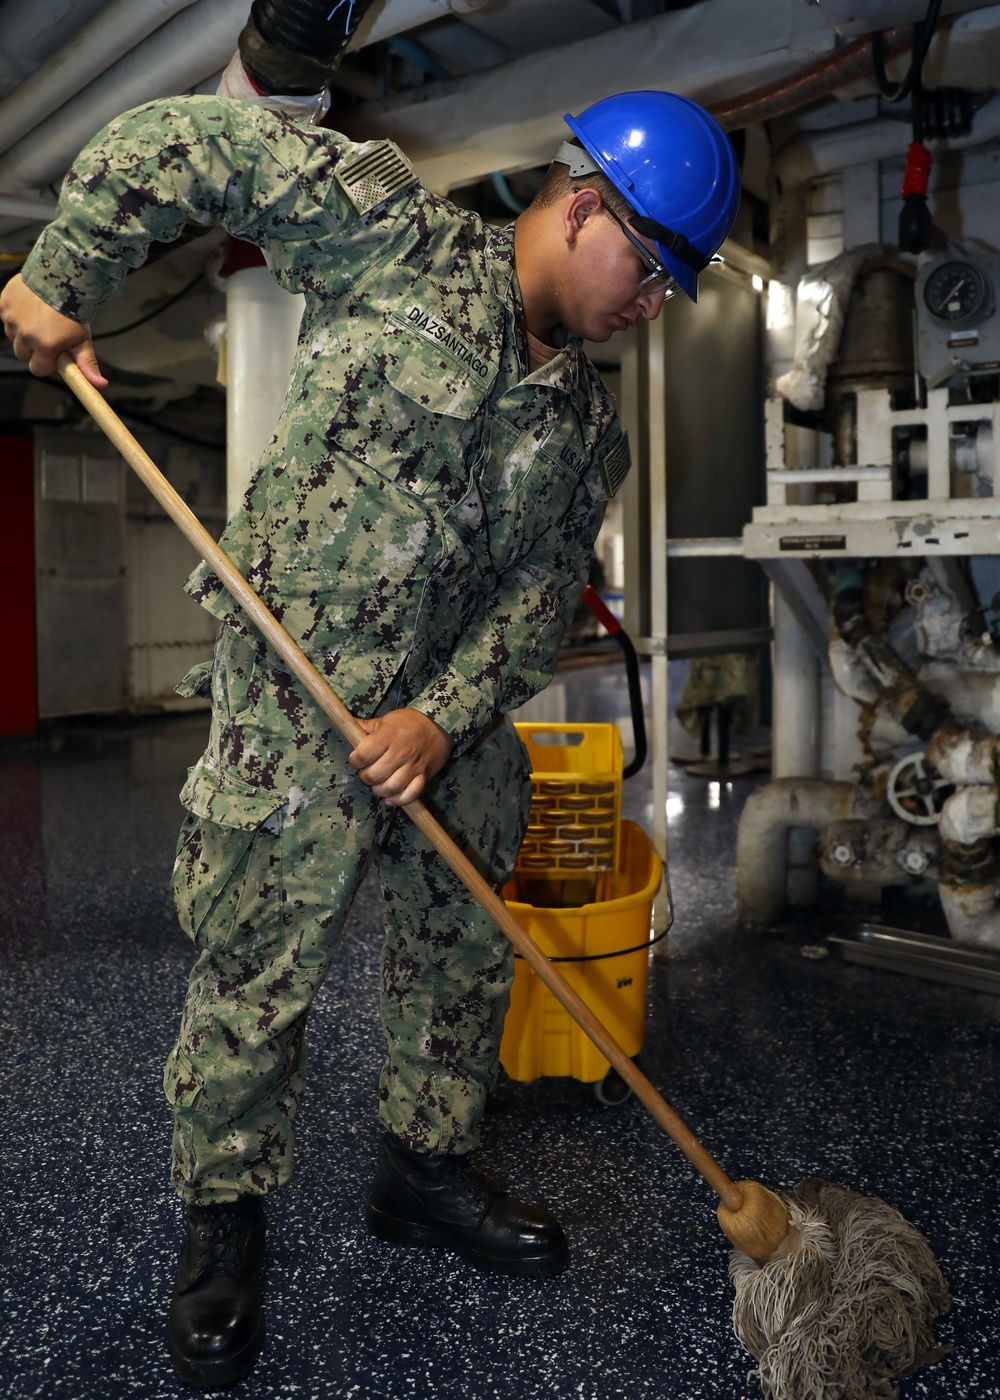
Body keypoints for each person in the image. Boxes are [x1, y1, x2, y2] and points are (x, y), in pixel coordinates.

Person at [1, 88, 739, 1389]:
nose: (656, 301)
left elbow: (531, 607)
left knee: (461, 956)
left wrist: (442, 722)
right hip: (295, 703)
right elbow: (185, 146)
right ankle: (222, 1223)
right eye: (650, 263)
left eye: (678, 281)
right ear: (581, 207)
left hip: (440, 733)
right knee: (255, 974)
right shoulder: (392, 238)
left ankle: (425, 1169)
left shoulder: (585, 436)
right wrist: (62, 276)